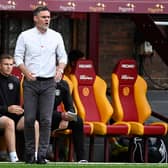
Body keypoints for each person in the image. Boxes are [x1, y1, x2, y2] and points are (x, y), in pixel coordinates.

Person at [14, 6, 67, 164]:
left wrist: (60, 68)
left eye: (48, 17)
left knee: (46, 119)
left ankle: (42, 155)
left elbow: (62, 56)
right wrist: (25, 71)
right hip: (31, 82)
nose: (47, 19)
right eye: (43, 17)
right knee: (29, 119)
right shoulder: (25, 36)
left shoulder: (56, 36)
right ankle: (30, 154)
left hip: (49, 82)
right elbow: (18, 57)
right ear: (35, 18)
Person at [0, 54, 39, 162]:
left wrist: (20, 110)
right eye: (5, 64)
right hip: (2, 116)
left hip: (12, 116)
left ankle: (35, 156)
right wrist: (7, 109)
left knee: (33, 122)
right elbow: (8, 109)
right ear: (0, 65)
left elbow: (16, 104)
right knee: (9, 122)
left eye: (11, 64)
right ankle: (14, 158)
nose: (9, 67)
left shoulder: (15, 81)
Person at [51, 79, 87, 162]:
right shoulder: (42, 81)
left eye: (59, 70)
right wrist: (61, 116)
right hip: (41, 116)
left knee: (78, 121)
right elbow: (41, 110)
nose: (58, 73)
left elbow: (70, 107)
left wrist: (67, 118)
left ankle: (81, 158)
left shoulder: (63, 84)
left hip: (55, 117)